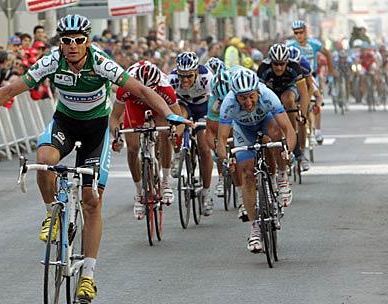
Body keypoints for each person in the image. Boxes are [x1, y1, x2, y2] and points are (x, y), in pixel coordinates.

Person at [0, 14, 187, 304]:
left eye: (78, 40)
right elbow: (10, 90)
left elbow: (142, 90)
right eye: (66, 41)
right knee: (44, 160)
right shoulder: (51, 61)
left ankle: (88, 276)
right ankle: (51, 215)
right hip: (64, 124)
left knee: (91, 200)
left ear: (88, 42)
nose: (71, 46)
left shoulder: (101, 62)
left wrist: (170, 114)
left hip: (96, 131)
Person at [216, 69, 295, 252]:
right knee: (247, 173)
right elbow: (221, 140)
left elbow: (289, 130)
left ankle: (281, 179)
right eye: (243, 99)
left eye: (251, 97)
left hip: (266, 122)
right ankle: (254, 230)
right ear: (235, 97)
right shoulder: (228, 104)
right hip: (243, 129)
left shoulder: (268, 96)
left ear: (258, 92)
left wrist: (287, 152)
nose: (248, 102)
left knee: (275, 135)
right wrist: (226, 159)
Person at [109, 60, 182, 219]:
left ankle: (165, 182)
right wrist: (117, 137)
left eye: (150, 90)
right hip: (134, 106)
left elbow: (178, 117)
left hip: (158, 105)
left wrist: (174, 134)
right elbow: (114, 117)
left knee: (164, 133)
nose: (146, 94)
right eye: (142, 90)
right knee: (133, 148)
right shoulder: (126, 86)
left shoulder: (165, 88)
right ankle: (138, 193)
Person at [169, 52, 216, 215]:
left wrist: (208, 124)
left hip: (204, 107)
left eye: (189, 76)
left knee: (204, 147)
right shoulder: (173, 79)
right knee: (179, 119)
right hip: (183, 105)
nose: (185, 80)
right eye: (182, 76)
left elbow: (215, 103)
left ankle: (206, 193)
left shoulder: (206, 77)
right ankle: (176, 155)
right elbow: (167, 103)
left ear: (196, 71)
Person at [257, 43, 309, 176]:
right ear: (271, 62)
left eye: (282, 64)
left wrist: (302, 115)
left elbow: (304, 93)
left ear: (287, 62)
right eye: (276, 64)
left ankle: (294, 138)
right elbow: (259, 95)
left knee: (288, 99)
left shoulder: (294, 67)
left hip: (288, 90)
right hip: (271, 91)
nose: (279, 67)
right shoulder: (263, 68)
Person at [287, 20, 335, 144]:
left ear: (306, 31)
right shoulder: (289, 46)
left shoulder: (314, 44)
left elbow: (327, 54)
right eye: (296, 33)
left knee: (317, 99)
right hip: (296, 78)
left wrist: (330, 71)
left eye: (301, 32)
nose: (299, 35)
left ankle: (318, 130)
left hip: (310, 76)